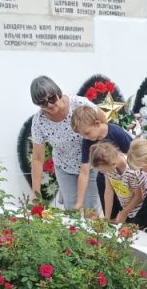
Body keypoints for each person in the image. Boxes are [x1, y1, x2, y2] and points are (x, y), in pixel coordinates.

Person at [27, 76, 96, 210]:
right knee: (72, 211)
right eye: (43, 103)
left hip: (90, 165)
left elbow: (103, 121)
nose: (49, 105)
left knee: (91, 211)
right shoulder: (39, 121)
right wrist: (36, 193)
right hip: (65, 167)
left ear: (57, 93)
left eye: (51, 98)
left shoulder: (78, 103)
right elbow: (37, 158)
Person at [70, 105, 136, 214]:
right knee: (110, 214)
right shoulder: (87, 141)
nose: (85, 137)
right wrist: (79, 202)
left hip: (126, 178)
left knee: (128, 214)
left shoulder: (116, 132)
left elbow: (134, 156)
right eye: (81, 135)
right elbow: (84, 172)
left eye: (86, 133)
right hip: (104, 180)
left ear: (97, 123)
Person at [88, 142, 147, 224]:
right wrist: (106, 219)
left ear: (113, 164)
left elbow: (139, 197)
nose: (103, 172)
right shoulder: (109, 165)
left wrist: (124, 212)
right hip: (128, 208)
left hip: (142, 210)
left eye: (102, 170)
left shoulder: (132, 171)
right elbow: (109, 192)